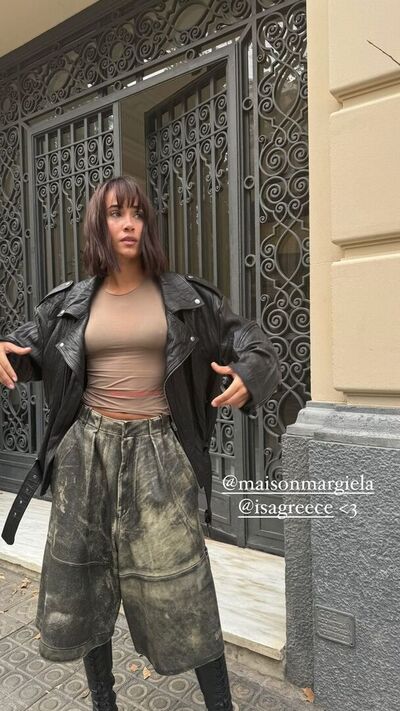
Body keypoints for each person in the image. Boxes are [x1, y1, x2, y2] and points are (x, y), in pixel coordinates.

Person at [0, 175, 282, 710]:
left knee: (187, 592)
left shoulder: (186, 299)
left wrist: (252, 371)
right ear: (98, 224)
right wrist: (4, 348)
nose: (128, 223)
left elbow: (248, 339)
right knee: (88, 585)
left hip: (160, 453)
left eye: (137, 213)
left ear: (147, 224)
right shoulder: (69, 304)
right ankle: (103, 701)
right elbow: (24, 348)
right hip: (86, 452)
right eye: (115, 213)